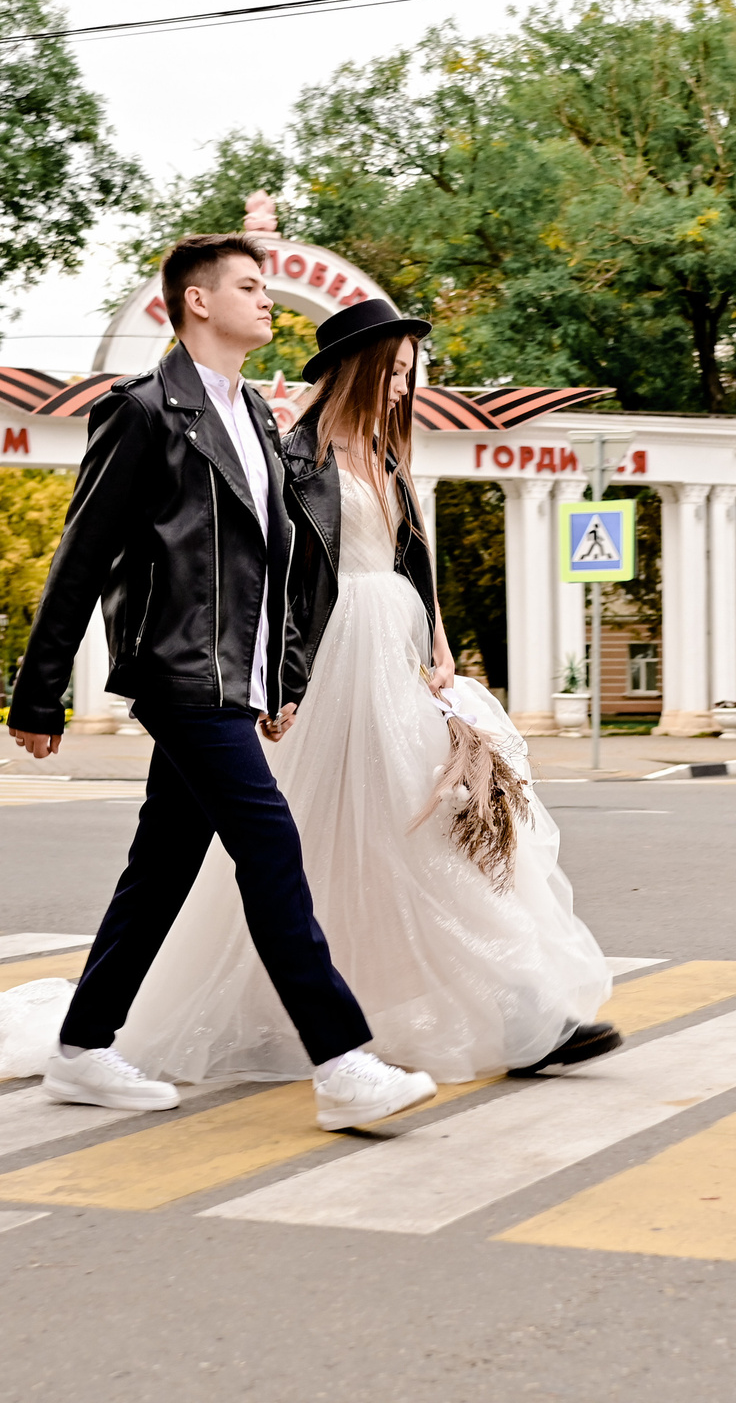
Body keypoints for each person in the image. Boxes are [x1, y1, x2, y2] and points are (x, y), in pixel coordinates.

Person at [110, 299, 617, 1086]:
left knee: (430, 829)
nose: (401, 391)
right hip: (331, 660)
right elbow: (269, 579)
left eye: (410, 378)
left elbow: (412, 559)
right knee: (334, 843)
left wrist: (440, 641)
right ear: (356, 369)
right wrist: (278, 679)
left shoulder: (389, 456)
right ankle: (287, 1015)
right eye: (393, 374)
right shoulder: (294, 457)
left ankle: (522, 1008)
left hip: (397, 655)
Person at [0, 234, 436, 1132]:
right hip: (177, 668)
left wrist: (279, 677)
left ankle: (82, 1048)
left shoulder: (255, 423)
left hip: (230, 678)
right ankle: (344, 1062)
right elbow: (80, 557)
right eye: (249, 285)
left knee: (161, 865)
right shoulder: (149, 412)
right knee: (271, 848)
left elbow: (272, 569)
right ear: (197, 302)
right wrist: (40, 691)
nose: (267, 299)